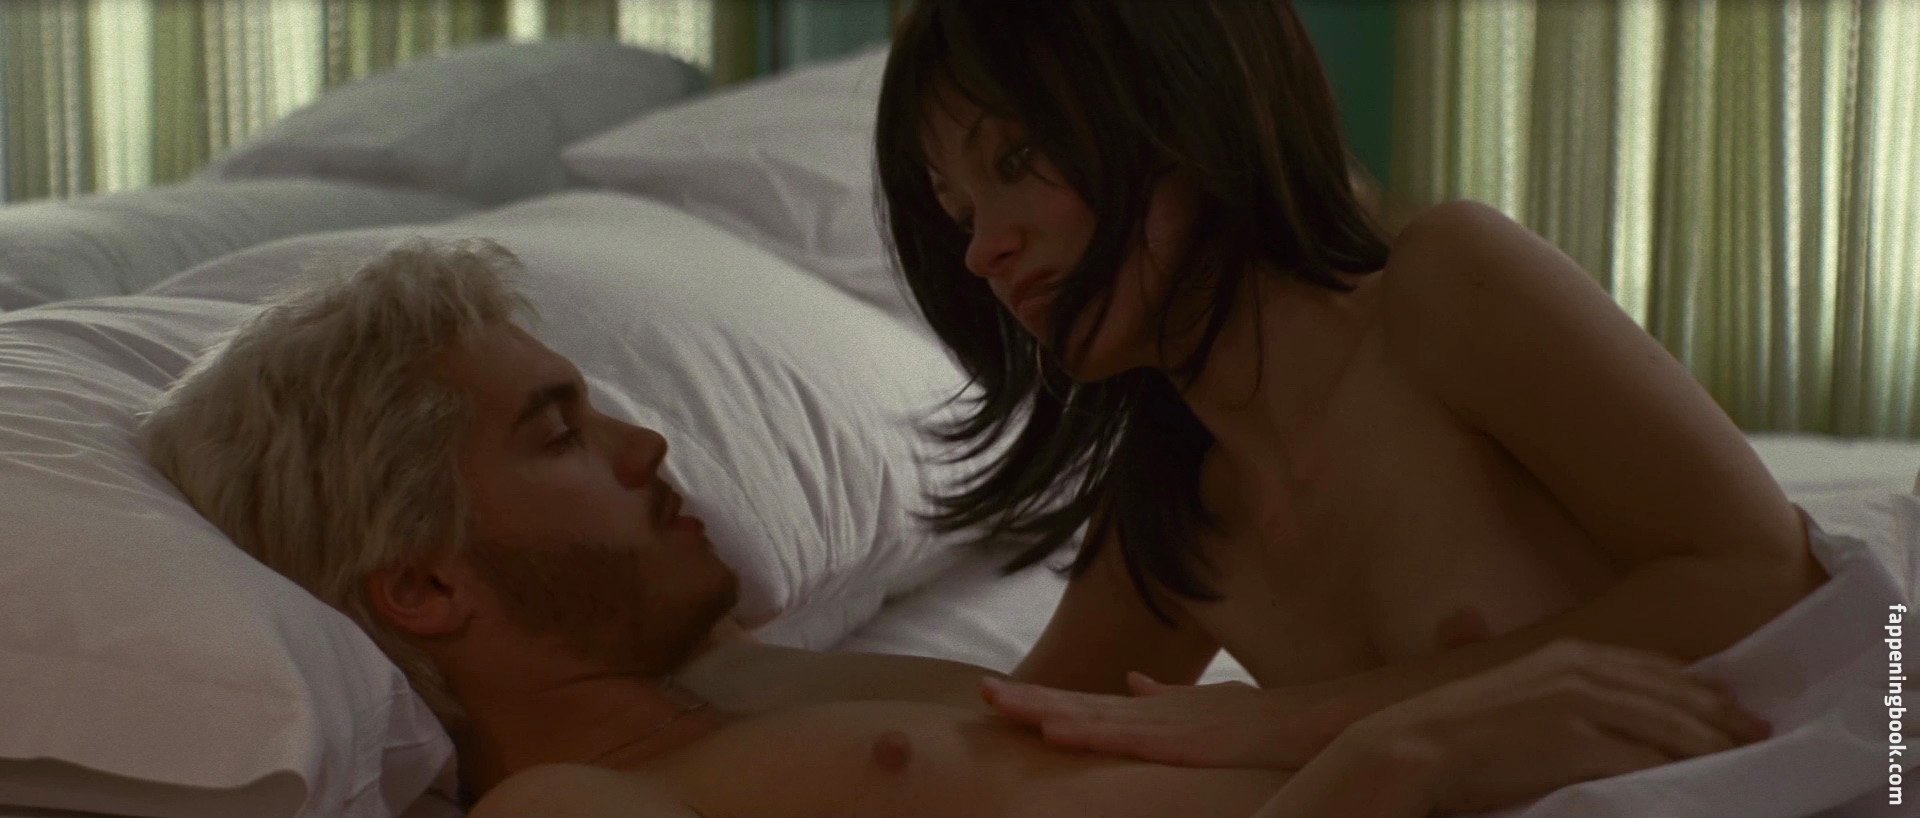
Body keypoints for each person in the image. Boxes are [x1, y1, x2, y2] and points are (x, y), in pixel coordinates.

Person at [137, 239, 1768, 817]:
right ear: (426, 581)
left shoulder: (754, 693)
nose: (647, 444)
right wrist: (1387, 767)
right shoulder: (570, 800)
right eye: (560, 431)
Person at [873, 0, 1828, 768]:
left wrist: (1290, 722)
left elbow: (1762, 571)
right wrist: (764, 676)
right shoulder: (1174, 513)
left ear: (1178, 100)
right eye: (958, 212)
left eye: (1015, 160)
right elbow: (1018, 727)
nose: (981, 251)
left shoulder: (1444, 287)